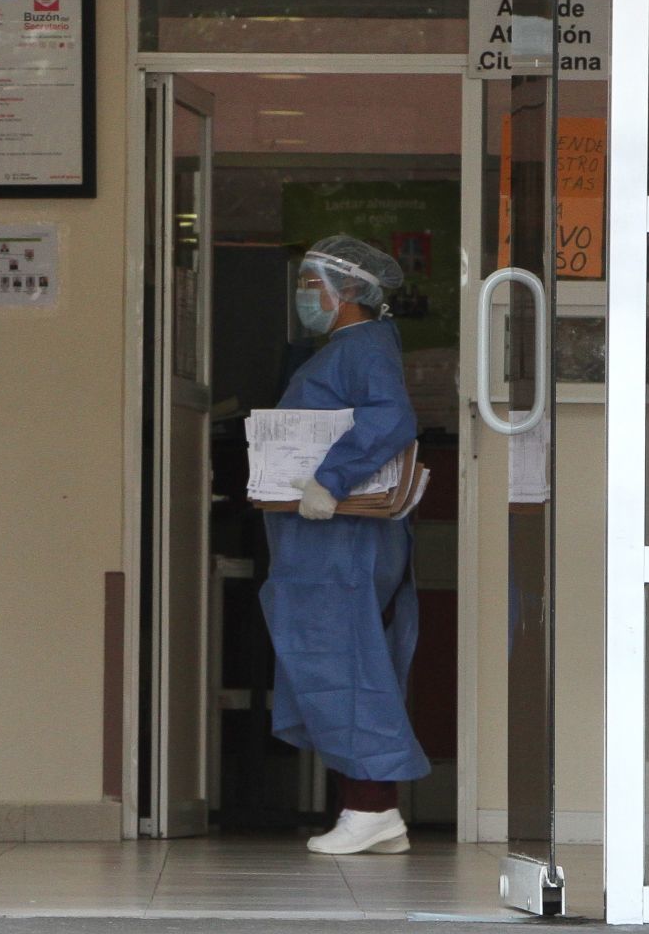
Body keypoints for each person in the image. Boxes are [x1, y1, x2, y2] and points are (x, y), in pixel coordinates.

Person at [260, 233, 429, 855]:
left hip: (343, 541)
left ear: (351, 292)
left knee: (349, 664)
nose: (305, 296)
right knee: (342, 663)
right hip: (326, 543)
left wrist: (330, 479)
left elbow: (389, 417)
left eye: (314, 285)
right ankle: (372, 812)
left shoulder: (363, 347)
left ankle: (370, 807)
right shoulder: (345, 348)